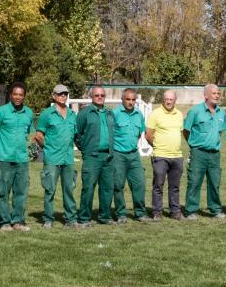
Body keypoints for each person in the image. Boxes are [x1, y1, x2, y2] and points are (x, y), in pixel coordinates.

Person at [0, 82, 35, 232]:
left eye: (21, 95)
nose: (18, 97)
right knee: (3, 192)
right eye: (15, 94)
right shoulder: (0, 112)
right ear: (10, 95)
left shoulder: (28, 113)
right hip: (4, 159)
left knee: (21, 192)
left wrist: (30, 151)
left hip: (22, 159)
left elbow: (29, 133)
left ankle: (18, 221)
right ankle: (4, 222)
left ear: (24, 96)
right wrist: (1, 149)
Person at [34, 84, 78, 228]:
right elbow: (39, 135)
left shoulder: (72, 114)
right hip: (52, 158)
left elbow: (76, 135)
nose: (63, 96)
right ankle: (48, 219)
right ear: (53, 96)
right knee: (49, 189)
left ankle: (70, 219)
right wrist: (48, 148)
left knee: (69, 190)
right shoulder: (47, 114)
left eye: (65, 94)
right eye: (60, 94)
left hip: (68, 158)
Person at [183, 84, 226, 220]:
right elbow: (186, 131)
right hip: (198, 153)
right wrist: (194, 145)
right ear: (206, 95)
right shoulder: (195, 111)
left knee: (215, 183)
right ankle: (190, 210)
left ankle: (215, 210)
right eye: (214, 93)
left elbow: (220, 131)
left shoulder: (222, 112)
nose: (217, 96)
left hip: (215, 154)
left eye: (218, 93)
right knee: (194, 181)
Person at [75, 86, 116, 227]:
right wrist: (86, 149)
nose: (100, 97)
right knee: (88, 188)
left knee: (107, 188)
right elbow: (77, 134)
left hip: (108, 157)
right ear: (91, 97)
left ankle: (105, 216)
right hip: (92, 157)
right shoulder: (84, 113)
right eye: (97, 95)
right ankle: (84, 217)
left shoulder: (110, 113)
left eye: (102, 95)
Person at [145, 89, 185, 220]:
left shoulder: (179, 114)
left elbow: (180, 133)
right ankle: (157, 212)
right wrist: (157, 146)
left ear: (175, 100)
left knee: (174, 187)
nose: (168, 101)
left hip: (177, 156)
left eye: (171, 99)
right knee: (158, 185)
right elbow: (148, 134)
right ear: (163, 100)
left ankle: (175, 212)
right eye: (166, 99)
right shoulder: (155, 114)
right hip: (160, 156)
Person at [111, 88, 149, 223]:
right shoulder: (114, 113)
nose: (131, 102)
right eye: (128, 99)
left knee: (140, 183)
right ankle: (121, 214)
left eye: (133, 100)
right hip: (118, 154)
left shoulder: (139, 114)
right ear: (122, 100)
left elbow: (139, 133)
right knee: (118, 184)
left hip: (134, 154)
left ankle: (140, 213)